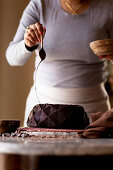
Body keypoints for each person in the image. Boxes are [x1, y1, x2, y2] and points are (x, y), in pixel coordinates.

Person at [6, 0, 113, 126]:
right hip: (43, 111)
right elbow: (12, 58)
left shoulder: (108, 7)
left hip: (93, 109)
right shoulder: (39, 5)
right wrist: (27, 44)